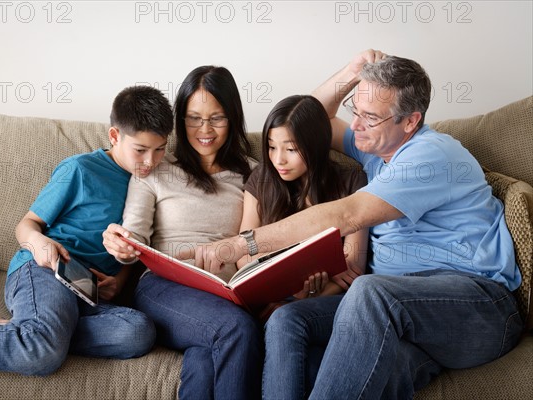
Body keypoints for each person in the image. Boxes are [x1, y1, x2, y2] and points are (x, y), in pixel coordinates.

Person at [185, 50, 524, 399]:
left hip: (478, 309)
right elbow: (307, 119)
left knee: (369, 291)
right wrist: (350, 72)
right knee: (288, 320)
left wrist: (242, 244)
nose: (357, 125)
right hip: (406, 317)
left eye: (371, 117)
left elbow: (347, 215)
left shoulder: (430, 155)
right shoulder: (375, 147)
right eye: (354, 110)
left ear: (410, 121)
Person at [0, 85, 173, 375]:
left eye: (160, 149)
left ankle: (15, 328)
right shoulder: (80, 170)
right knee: (40, 354)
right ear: (114, 136)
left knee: (138, 332)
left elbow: (137, 247)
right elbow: (26, 226)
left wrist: (119, 281)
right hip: (44, 271)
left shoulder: (156, 184)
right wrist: (39, 243)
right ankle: (34, 333)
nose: (151, 161)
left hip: (86, 291)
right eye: (141, 150)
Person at [102, 66, 262, 400]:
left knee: (205, 361)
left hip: (223, 296)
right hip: (164, 289)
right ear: (180, 120)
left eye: (216, 118)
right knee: (236, 329)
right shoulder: (156, 169)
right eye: (193, 118)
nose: (205, 130)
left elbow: (257, 243)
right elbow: (133, 234)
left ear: (233, 118)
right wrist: (121, 245)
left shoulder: (253, 175)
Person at [237, 94, 368, 309]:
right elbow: (243, 255)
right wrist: (292, 281)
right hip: (271, 294)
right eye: (271, 147)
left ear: (315, 145)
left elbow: (352, 266)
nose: (279, 159)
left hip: (330, 299)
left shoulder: (352, 181)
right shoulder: (261, 179)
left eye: (291, 149)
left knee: (285, 319)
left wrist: (307, 299)